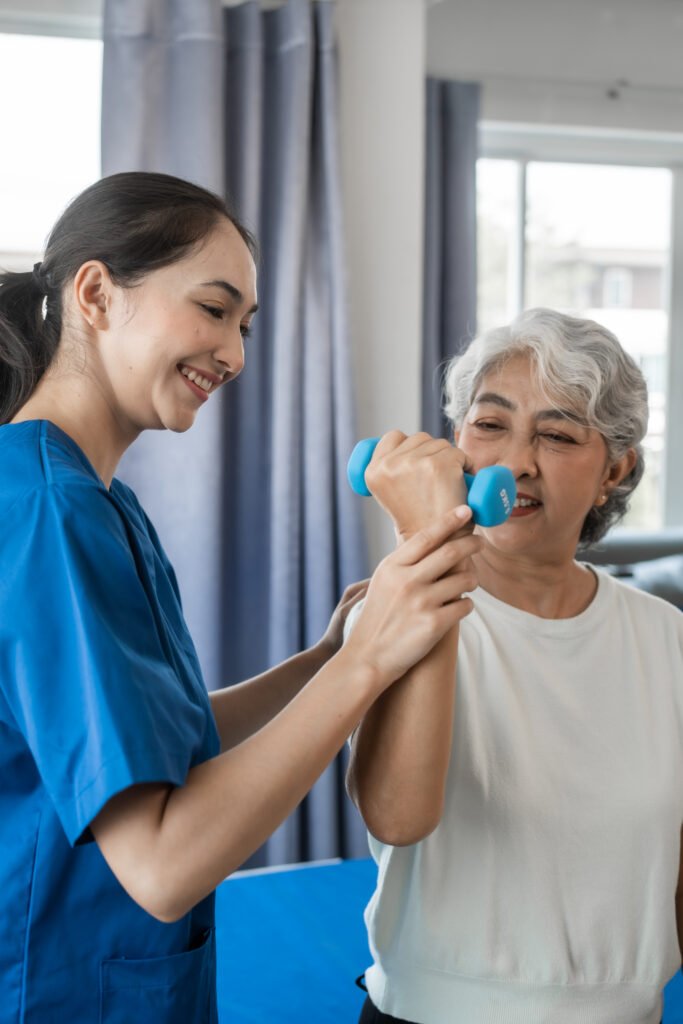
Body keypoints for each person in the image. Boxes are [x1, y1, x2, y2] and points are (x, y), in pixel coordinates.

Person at [0, 171, 481, 1024]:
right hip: (61, 991)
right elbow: (160, 866)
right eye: (214, 310)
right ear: (96, 293)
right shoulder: (48, 513)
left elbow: (159, 742)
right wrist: (368, 664)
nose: (235, 354)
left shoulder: (102, 503)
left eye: (245, 324)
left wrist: (326, 658)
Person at [347, 308, 683, 1024]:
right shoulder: (389, 611)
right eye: (489, 425)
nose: (514, 462)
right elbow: (397, 815)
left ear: (614, 470)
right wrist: (427, 549)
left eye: (557, 435)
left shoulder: (665, 640)